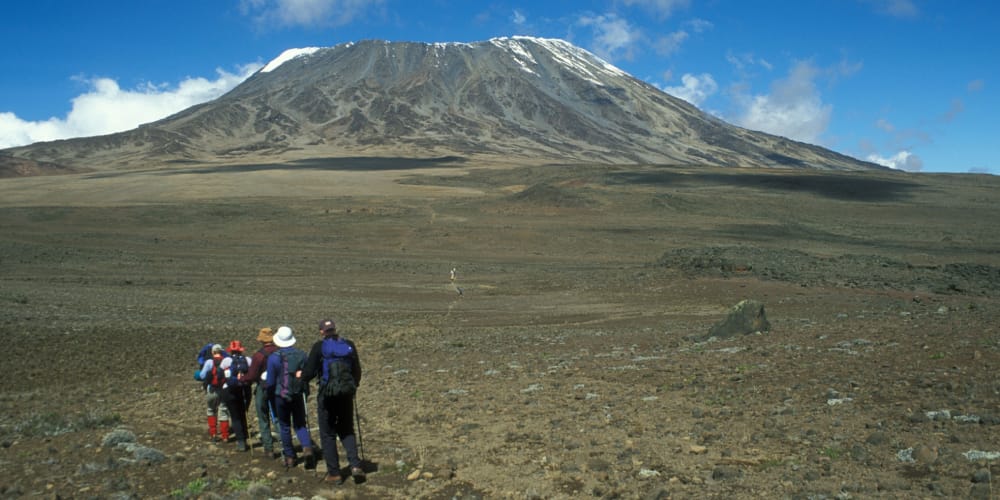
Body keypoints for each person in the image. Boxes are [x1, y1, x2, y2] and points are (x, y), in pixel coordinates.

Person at [303, 318, 364, 484]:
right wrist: (353, 386)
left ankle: (335, 473)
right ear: (335, 329)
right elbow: (357, 369)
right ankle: (355, 466)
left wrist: (301, 377)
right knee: (347, 429)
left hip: (327, 396)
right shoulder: (348, 344)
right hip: (345, 394)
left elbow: (309, 372)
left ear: (322, 331)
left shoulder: (319, 347)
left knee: (328, 433)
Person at [265, 326, 315, 469]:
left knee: (284, 425)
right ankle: (307, 448)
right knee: (300, 423)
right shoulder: (302, 355)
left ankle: (290, 457)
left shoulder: (274, 358)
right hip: (298, 394)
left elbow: (270, 382)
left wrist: (270, 396)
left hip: (281, 396)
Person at [244, 327, 278, 457]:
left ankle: (268, 448)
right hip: (277, 387)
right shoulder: (279, 352)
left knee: (263, 418)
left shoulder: (258, 356)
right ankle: (285, 446)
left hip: (262, 388)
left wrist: (242, 379)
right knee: (278, 417)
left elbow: (252, 376)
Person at [224, 340, 253, 452]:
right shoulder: (248, 360)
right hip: (245, 390)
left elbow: (221, 374)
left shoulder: (226, 361)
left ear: (231, 350)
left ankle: (240, 441)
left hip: (231, 391)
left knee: (235, 417)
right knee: (243, 414)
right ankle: (246, 437)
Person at [198, 344, 231, 442]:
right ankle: (225, 436)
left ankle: (213, 433)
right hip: (224, 389)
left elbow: (202, 376)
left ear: (212, 352)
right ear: (221, 352)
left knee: (211, 410)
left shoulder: (209, 362)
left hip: (212, 389)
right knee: (223, 411)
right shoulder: (226, 361)